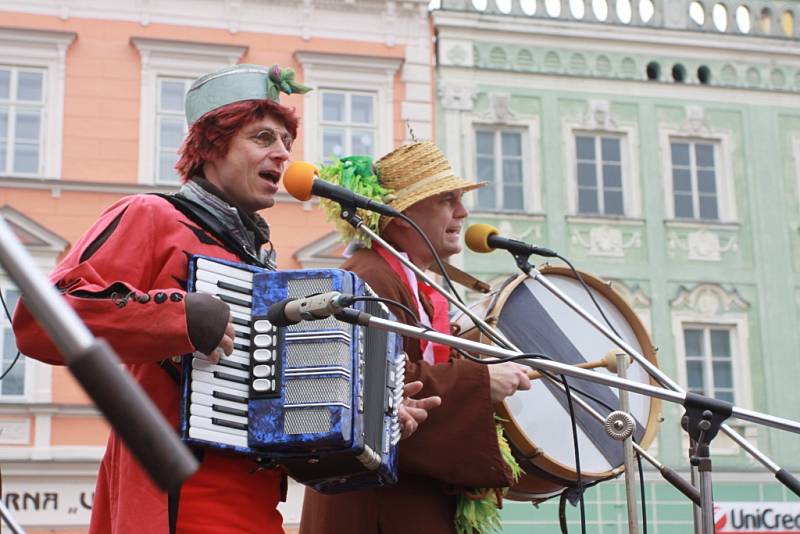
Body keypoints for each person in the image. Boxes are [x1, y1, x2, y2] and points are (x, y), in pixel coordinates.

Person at [12, 64, 438, 534]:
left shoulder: (264, 269)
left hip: (258, 509)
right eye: (262, 138)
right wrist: (179, 316)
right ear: (212, 146)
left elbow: (285, 412)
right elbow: (41, 319)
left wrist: (368, 416)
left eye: (286, 143)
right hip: (181, 499)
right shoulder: (152, 215)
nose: (283, 155)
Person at [299, 145, 532, 534]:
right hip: (377, 508)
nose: (463, 212)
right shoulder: (369, 277)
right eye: (447, 199)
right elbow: (366, 379)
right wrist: (480, 381)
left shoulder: (407, 281)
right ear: (402, 217)